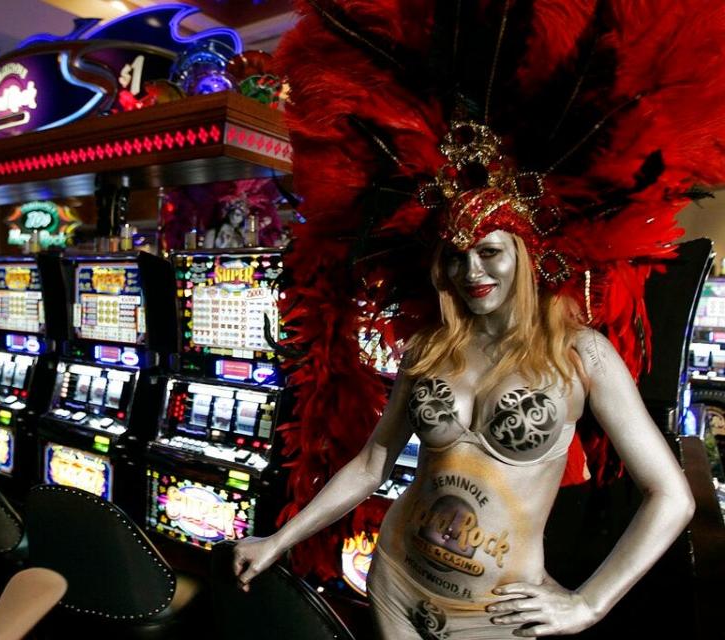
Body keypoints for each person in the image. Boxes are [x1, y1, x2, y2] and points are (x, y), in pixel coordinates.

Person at [233, 2, 721, 638]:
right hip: (396, 583)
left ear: (524, 254)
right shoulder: (430, 349)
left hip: (497, 614)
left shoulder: (582, 354)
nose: (473, 273)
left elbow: (672, 496)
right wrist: (278, 539)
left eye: (490, 252)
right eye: (457, 257)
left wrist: (589, 604)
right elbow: (370, 466)